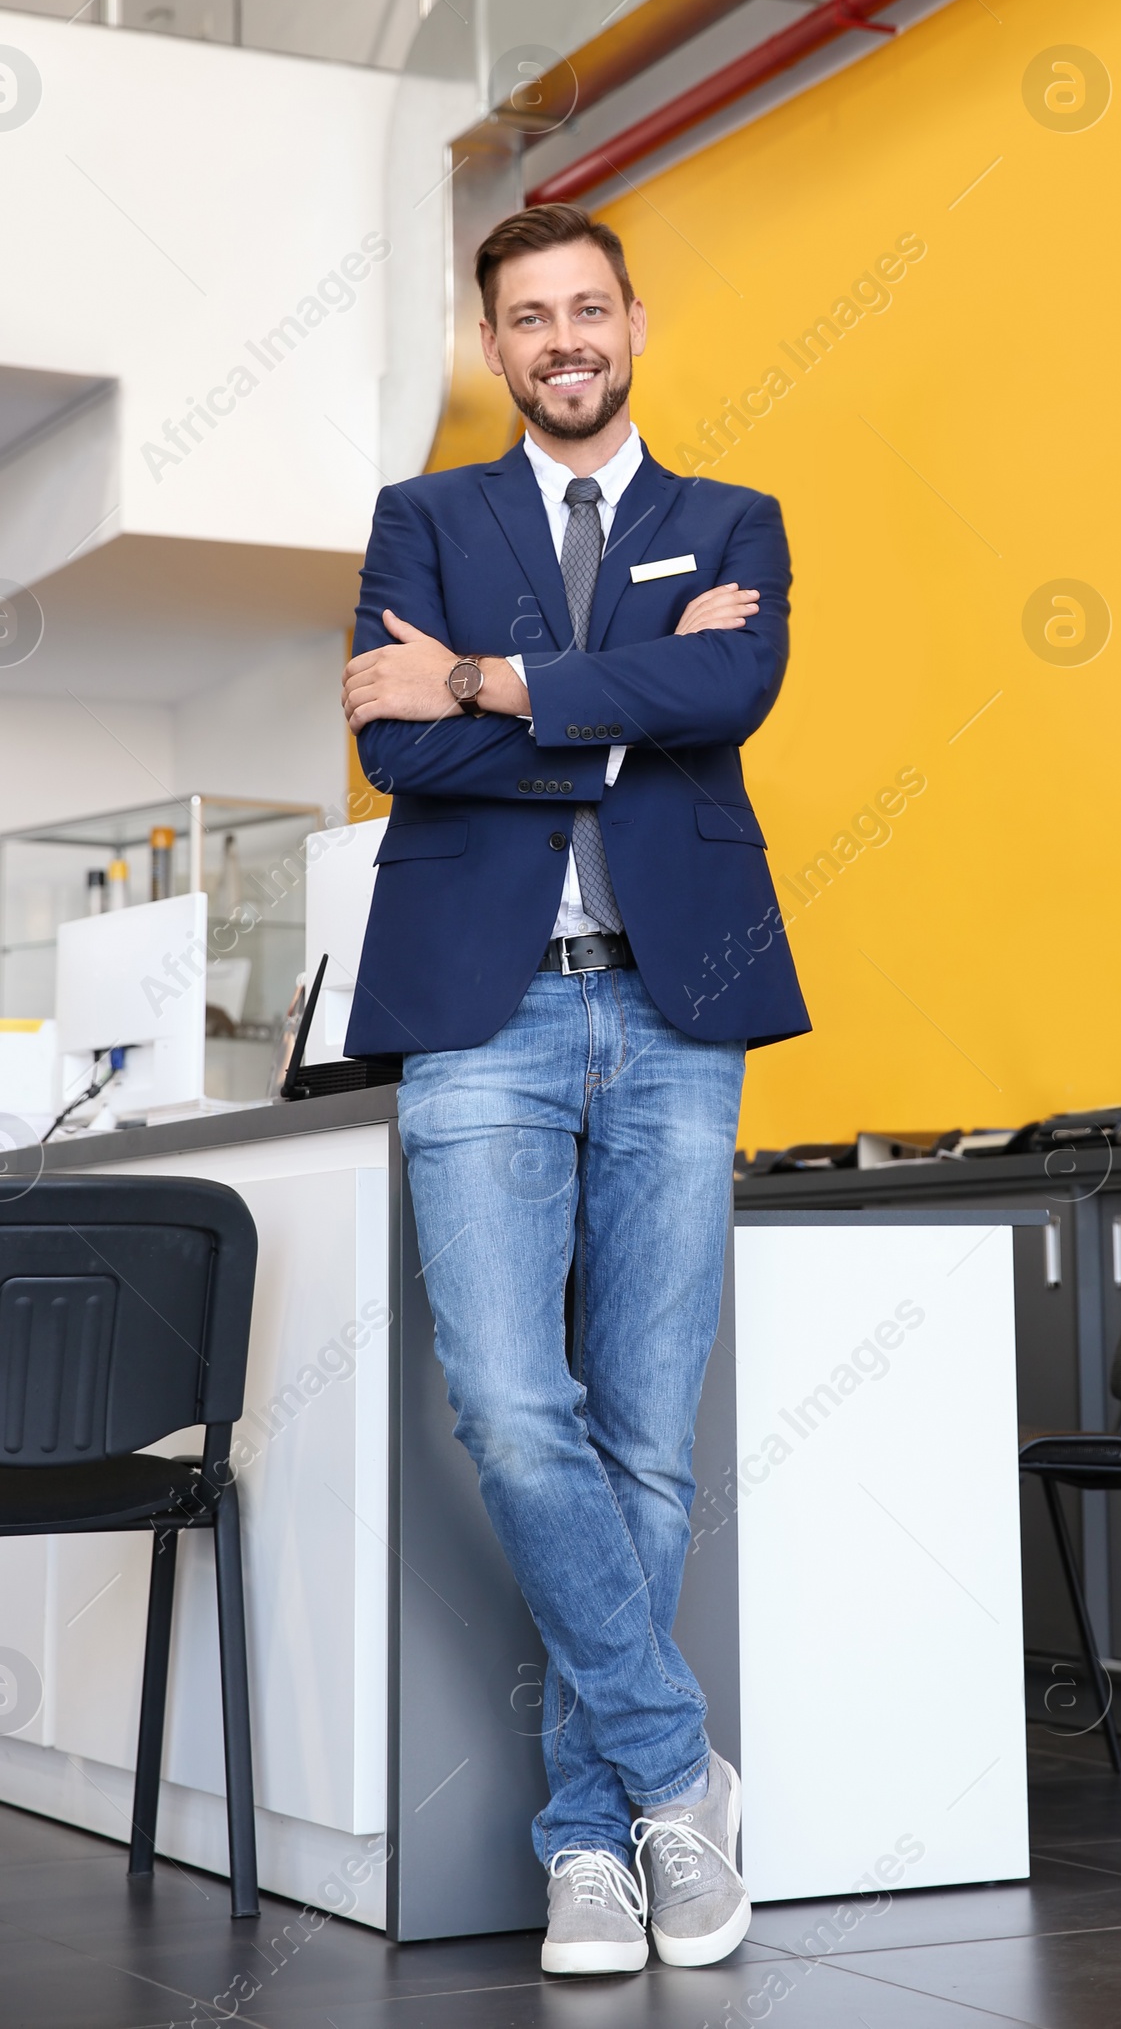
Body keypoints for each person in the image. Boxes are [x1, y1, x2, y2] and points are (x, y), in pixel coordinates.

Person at [341, 203, 809, 1974]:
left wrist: (493, 678)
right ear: (494, 348)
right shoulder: (428, 516)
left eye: (586, 307)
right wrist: (621, 707)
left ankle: (585, 1850)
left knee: (642, 1427)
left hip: (677, 1005)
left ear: (634, 320)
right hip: (482, 1010)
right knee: (513, 1409)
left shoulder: (729, 522)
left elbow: (732, 689)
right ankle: (679, 1771)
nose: (560, 339)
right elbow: (399, 748)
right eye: (526, 317)